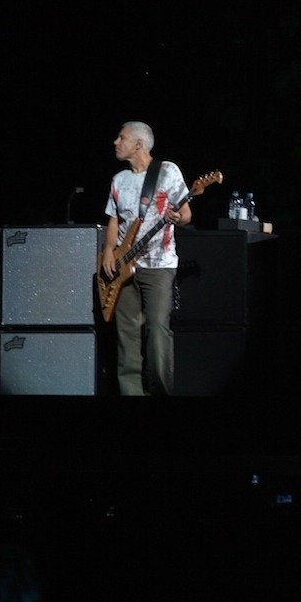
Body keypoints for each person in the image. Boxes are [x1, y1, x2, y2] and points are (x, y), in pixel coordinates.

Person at [101, 121, 191, 396]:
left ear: (138, 144)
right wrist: (108, 251)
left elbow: (186, 214)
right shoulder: (119, 180)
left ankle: (160, 391)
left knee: (157, 330)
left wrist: (177, 218)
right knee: (126, 334)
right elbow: (114, 219)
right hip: (123, 266)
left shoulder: (167, 171)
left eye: (122, 137)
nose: (116, 142)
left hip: (159, 265)